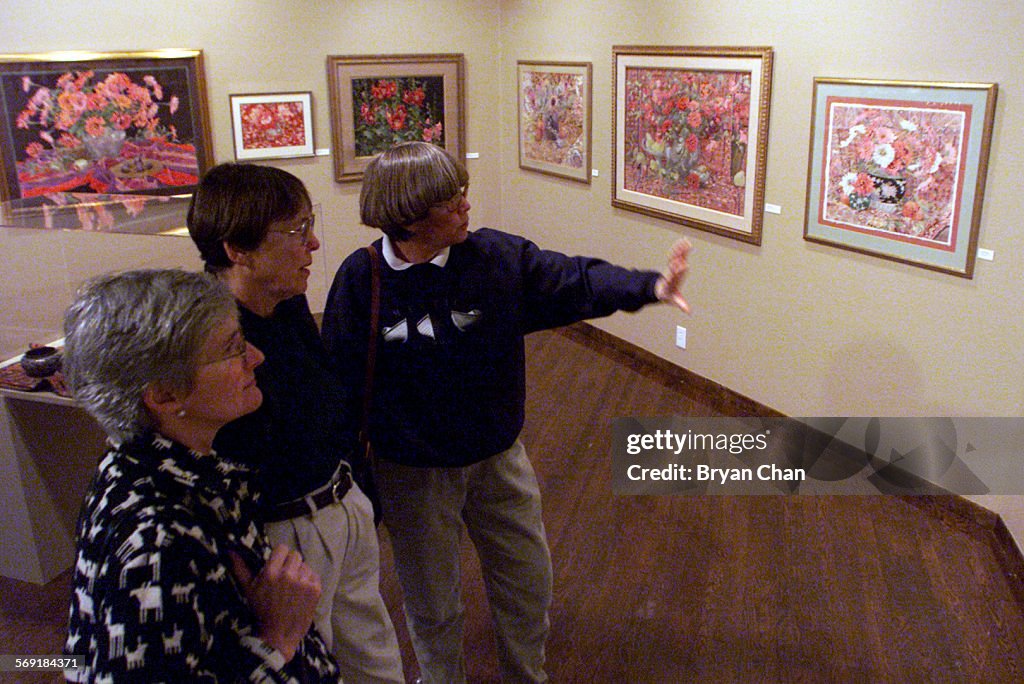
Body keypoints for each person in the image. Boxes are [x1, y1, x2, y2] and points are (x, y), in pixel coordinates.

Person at [320, 141, 691, 684]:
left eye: (463, 192)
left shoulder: (494, 258)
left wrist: (650, 286)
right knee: (432, 601)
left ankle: (526, 675)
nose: (467, 205)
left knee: (526, 584)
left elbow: (574, 280)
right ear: (409, 216)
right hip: (412, 473)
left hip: (498, 459)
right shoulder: (362, 280)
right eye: (451, 201)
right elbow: (340, 381)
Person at [62, 269, 339, 682]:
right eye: (233, 348)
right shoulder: (155, 542)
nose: (256, 357)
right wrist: (276, 640)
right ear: (164, 395)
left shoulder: (165, 470)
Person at [187, 163, 404, 684]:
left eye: (309, 223)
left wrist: (355, 491)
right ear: (237, 250)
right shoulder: (205, 339)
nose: (312, 242)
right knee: (308, 667)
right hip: (285, 534)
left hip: (338, 501)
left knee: (374, 656)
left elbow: (323, 403)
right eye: (294, 230)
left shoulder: (284, 303)